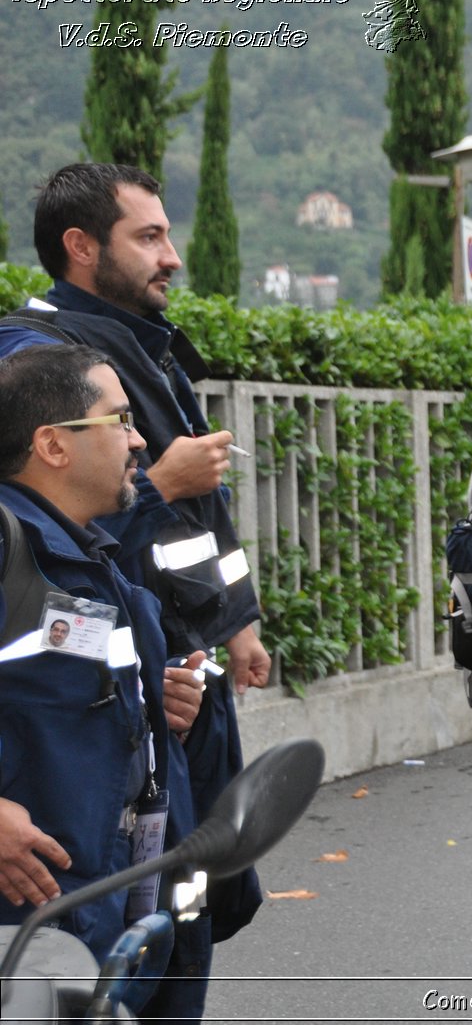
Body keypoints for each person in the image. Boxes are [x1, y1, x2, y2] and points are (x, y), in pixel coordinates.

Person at [0, 163, 268, 1018]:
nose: (173, 256)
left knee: (176, 920)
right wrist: (159, 477)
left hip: (166, 701)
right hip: (76, 758)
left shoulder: (144, 353)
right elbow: (65, 522)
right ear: (81, 247)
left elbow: (198, 531)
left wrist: (236, 626)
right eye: (148, 236)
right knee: (84, 962)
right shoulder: (36, 359)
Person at [0, 345, 206, 975]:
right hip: (27, 931)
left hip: (98, 910)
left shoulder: (89, 559)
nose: (139, 440)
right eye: (119, 420)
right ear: (53, 446)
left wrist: (149, 700)